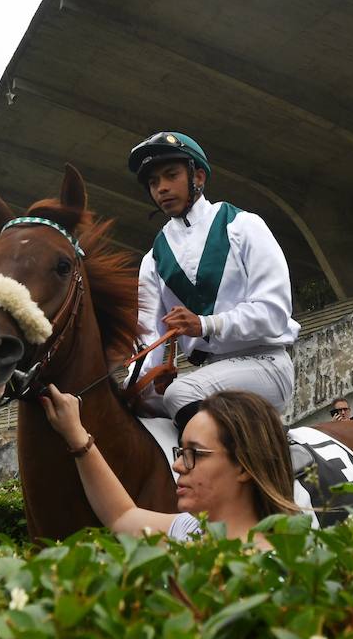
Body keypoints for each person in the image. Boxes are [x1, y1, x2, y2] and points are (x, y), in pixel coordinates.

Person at [127, 132, 298, 428]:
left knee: (180, 393)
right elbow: (149, 339)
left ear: (199, 177)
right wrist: (132, 390)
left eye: (171, 175)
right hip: (210, 373)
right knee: (138, 410)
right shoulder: (152, 260)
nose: (162, 188)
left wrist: (205, 324)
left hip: (265, 364)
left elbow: (274, 313)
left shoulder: (244, 226)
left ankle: (248, 468)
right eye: (154, 183)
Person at [40, 386, 299, 541]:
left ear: (243, 466)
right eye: (180, 451)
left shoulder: (272, 566)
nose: (177, 465)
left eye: (194, 453)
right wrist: (77, 436)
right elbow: (121, 515)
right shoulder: (190, 530)